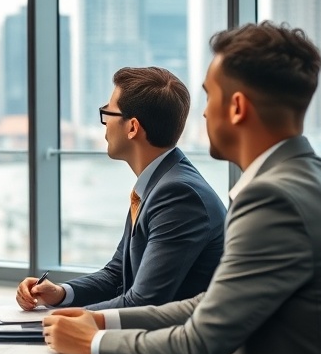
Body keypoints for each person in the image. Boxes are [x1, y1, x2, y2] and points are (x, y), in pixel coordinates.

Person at [43, 22, 321, 354]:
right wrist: (99, 322)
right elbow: (212, 302)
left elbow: (199, 343)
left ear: (236, 108)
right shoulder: (315, 176)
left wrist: (92, 341)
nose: (202, 115)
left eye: (208, 97)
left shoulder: (271, 198)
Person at [16, 67, 225, 311]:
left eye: (108, 114)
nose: (104, 126)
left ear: (133, 127)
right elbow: (117, 274)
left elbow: (144, 302)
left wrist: (63, 319)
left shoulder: (178, 194)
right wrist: (61, 294)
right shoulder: (158, 184)